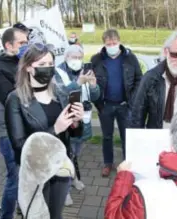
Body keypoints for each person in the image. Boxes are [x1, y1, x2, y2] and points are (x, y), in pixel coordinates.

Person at [5, 43, 84, 219]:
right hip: (35, 172)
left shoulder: (60, 92)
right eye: (41, 65)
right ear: (28, 68)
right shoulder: (15, 99)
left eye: (50, 63)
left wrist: (76, 123)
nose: (47, 69)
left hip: (60, 167)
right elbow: (19, 146)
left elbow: (74, 135)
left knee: (55, 214)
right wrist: (56, 129)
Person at [0, 27, 28, 219]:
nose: (25, 46)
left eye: (26, 42)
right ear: (8, 45)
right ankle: (6, 215)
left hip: (27, 129)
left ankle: (23, 205)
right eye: (21, 43)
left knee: (26, 177)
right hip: (9, 135)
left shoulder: (22, 63)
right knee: (15, 179)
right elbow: (15, 102)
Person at [91, 28, 142, 177]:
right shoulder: (97, 59)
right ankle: (108, 163)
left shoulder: (130, 58)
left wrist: (131, 99)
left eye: (114, 43)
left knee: (126, 136)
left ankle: (128, 163)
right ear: (104, 44)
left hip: (124, 105)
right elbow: (91, 81)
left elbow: (139, 78)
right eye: (109, 43)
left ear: (119, 42)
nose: (112, 45)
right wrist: (98, 102)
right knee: (107, 136)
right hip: (105, 105)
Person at [55, 44, 100, 205]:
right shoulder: (58, 72)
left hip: (83, 121)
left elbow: (95, 96)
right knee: (65, 157)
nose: (77, 60)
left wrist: (93, 84)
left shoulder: (85, 70)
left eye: (79, 57)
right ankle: (64, 192)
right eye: (73, 57)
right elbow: (61, 93)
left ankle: (74, 178)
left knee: (75, 154)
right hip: (66, 122)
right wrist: (78, 83)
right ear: (66, 57)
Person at [18, 132, 75, 219]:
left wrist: (76, 126)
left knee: (56, 213)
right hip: (36, 166)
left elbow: (75, 133)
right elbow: (18, 143)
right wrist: (55, 129)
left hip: (60, 164)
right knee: (34, 208)